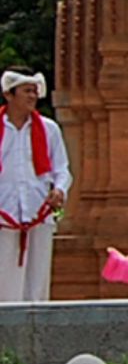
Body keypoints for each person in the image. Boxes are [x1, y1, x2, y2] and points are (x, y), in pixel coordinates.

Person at [1, 69, 70, 305]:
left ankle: (35, 337)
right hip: (4, 214)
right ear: (9, 95)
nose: (32, 96)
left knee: (37, 283)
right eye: (26, 91)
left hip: (38, 212)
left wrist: (59, 190)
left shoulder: (49, 129)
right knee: (4, 282)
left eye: (34, 91)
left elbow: (62, 169)